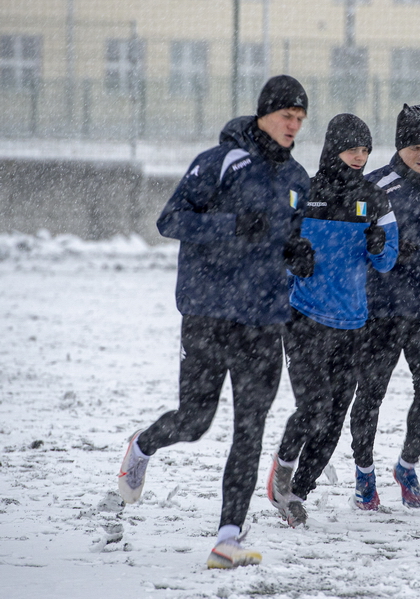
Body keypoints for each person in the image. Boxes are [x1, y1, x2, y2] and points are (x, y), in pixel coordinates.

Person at [116, 75, 311, 568]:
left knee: (250, 429)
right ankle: (142, 446)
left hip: (265, 320)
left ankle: (228, 538)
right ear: (264, 113)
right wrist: (230, 226)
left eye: (301, 118)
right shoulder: (220, 162)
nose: (294, 124)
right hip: (208, 315)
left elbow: (285, 239)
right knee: (195, 422)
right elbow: (171, 220)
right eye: (287, 114)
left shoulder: (297, 180)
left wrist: (297, 253)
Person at [266, 113, 399, 526]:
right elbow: (275, 245)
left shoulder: (375, 200)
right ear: (332, 149)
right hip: (304, 317)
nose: (359, 157)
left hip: (353, 323)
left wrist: (378, 245)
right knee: (314, 407)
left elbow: (388, 259)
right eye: (351, 149)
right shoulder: (304, 193)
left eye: (365, 150)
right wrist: (293, 257)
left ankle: (296, 494)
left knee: (334, 420)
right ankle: (282, 471)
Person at [348, 104, 420, 510]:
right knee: (371, 394)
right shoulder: (376, 186)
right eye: (416, 146)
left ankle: (407, 464)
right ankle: (364, 474)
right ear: (400, 147)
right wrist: (384, 248)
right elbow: (355, 242)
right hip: (382, 311)